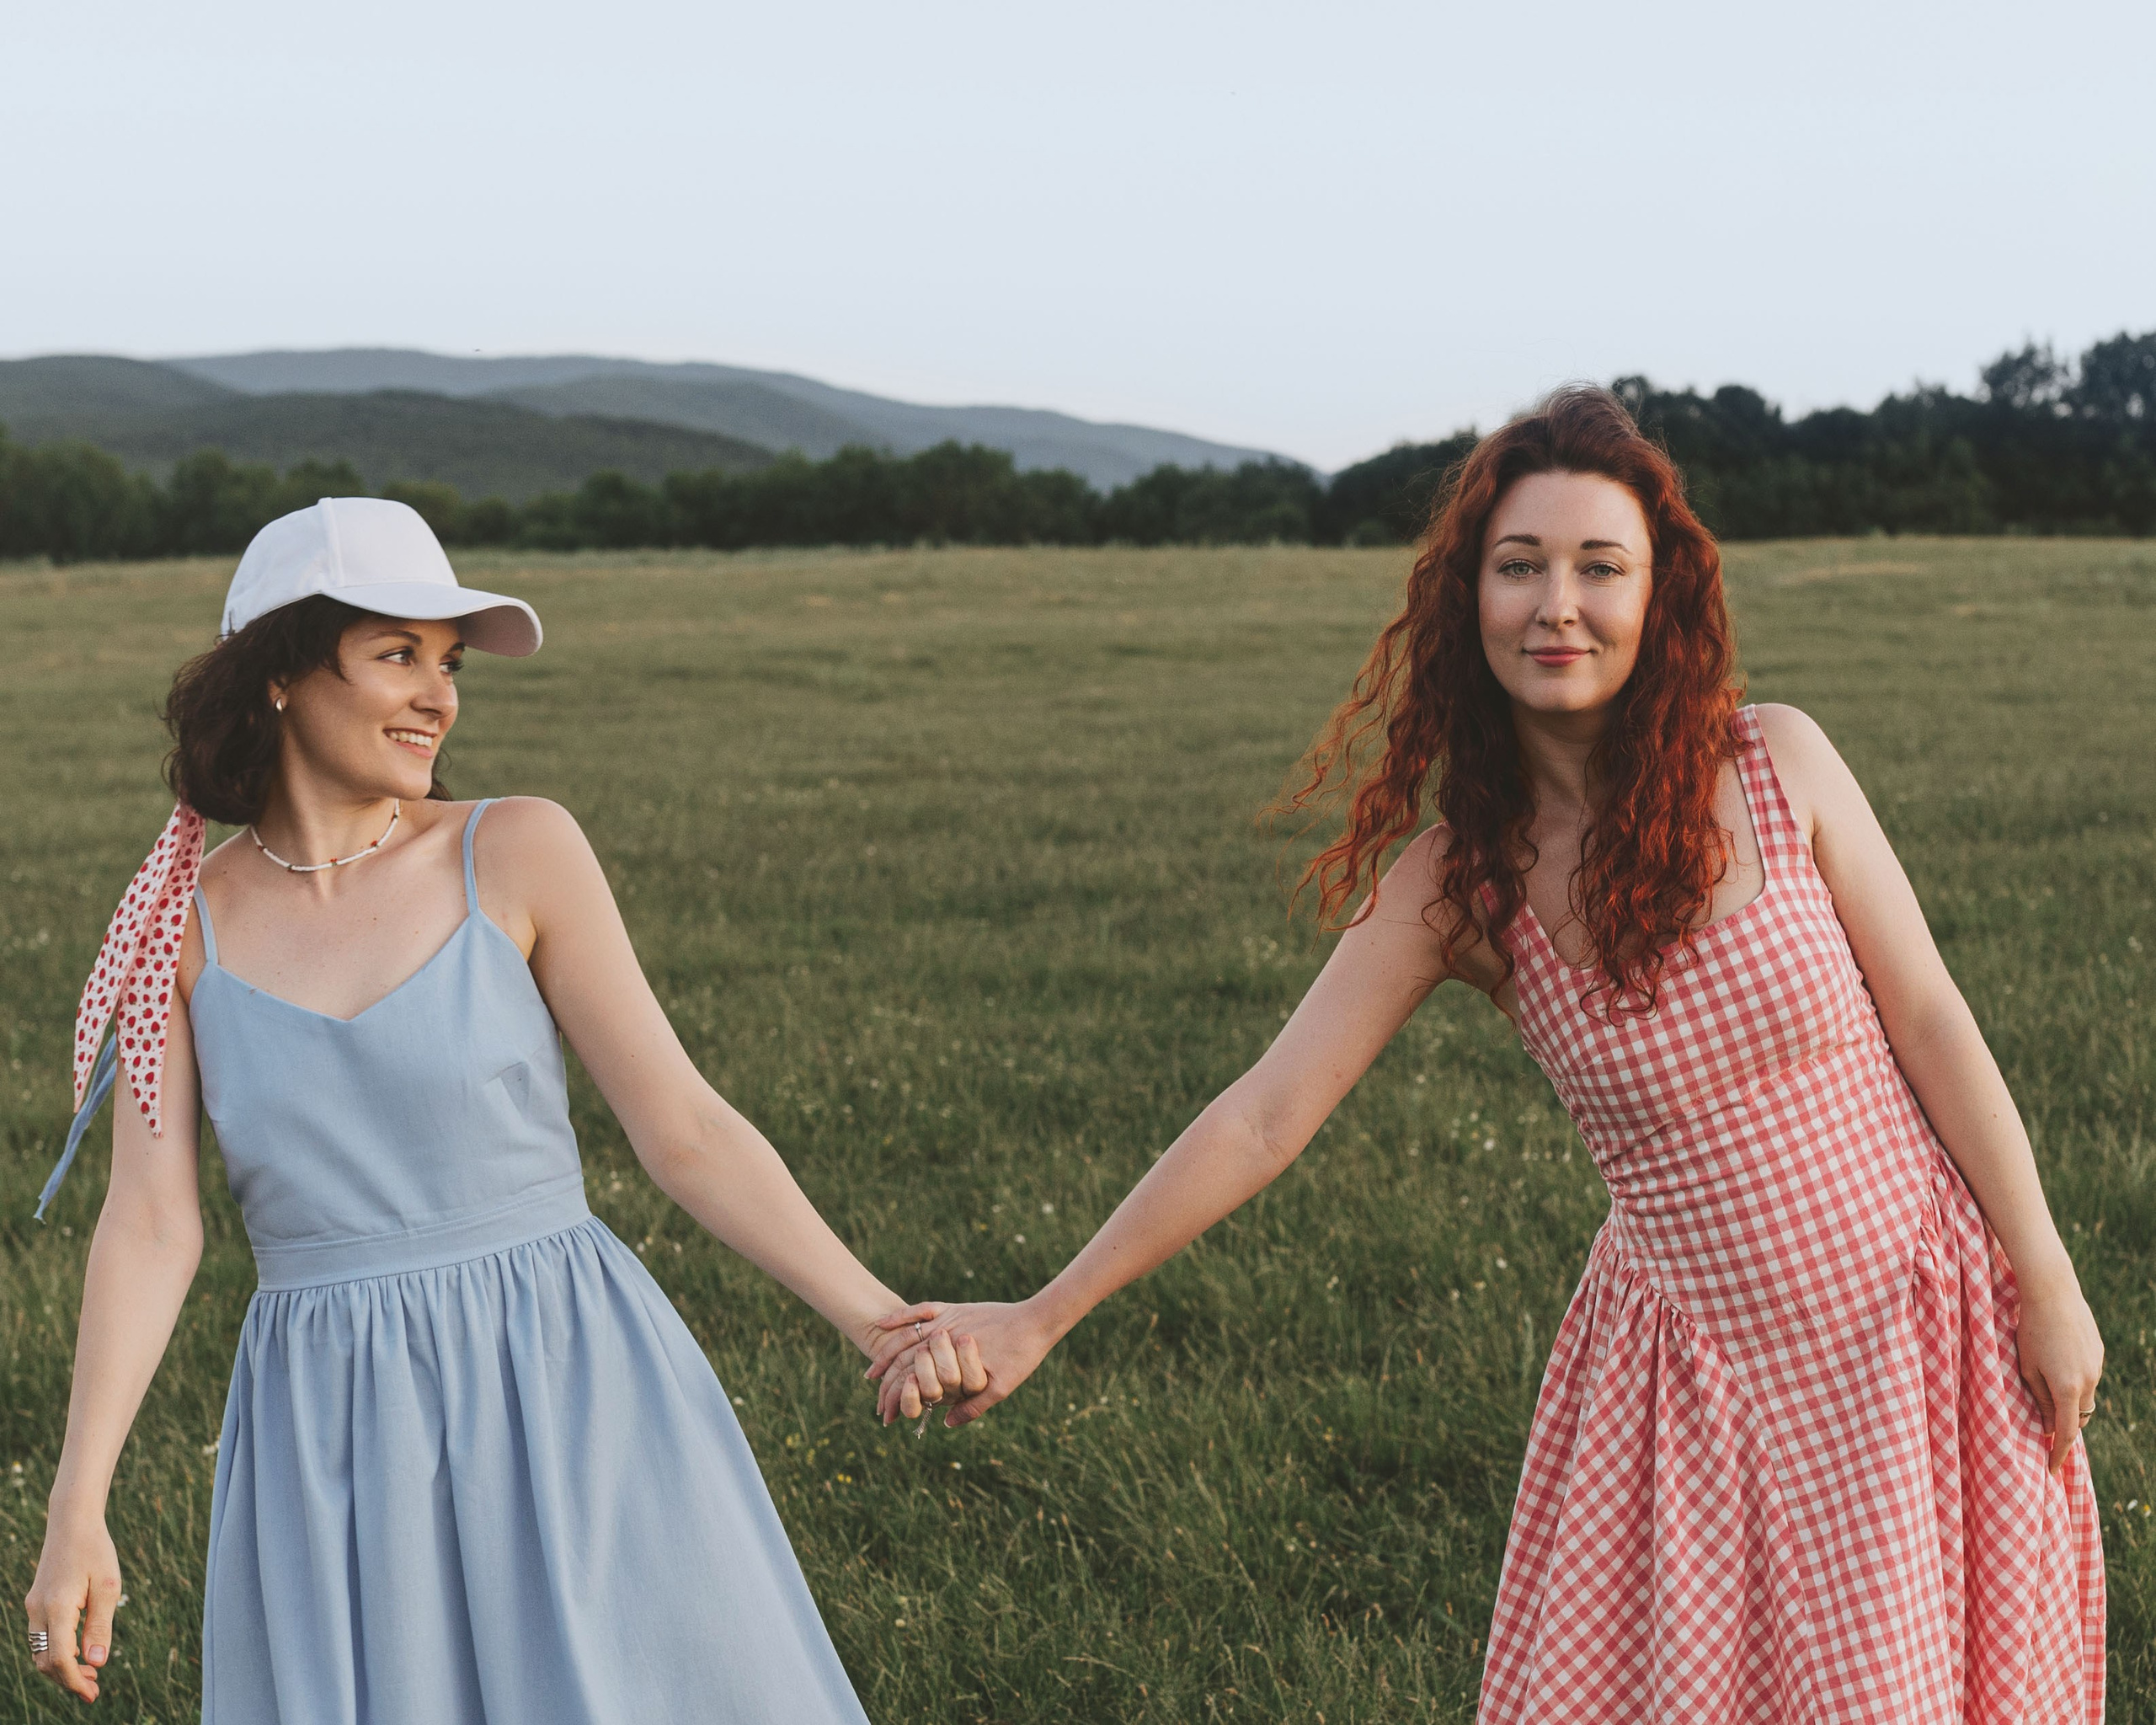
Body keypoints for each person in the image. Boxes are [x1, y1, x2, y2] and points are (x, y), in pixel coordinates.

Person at [867, 387, 2106, 1721]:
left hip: (1917, 1334)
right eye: (1520, 567)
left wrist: (2043, 1269)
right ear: (1471, 598)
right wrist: (1043, 1312)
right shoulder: (1457, 885)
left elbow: (1930, 1018)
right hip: (1702, 1399)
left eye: (1599, 567)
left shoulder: (1776, 763)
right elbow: (1264, 1115)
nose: (1556, 605)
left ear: (1660, 594)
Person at [23, 497, 988, 1719]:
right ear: (277, 673)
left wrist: (878, 1320)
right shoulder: (179, 930)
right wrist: (79, 1507)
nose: (440, 695)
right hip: (332, 1427)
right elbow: (152, 1227)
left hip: (569, 1374)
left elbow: (682, 1127)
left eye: (450, 662)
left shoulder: (518, 849)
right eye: (396, 655)